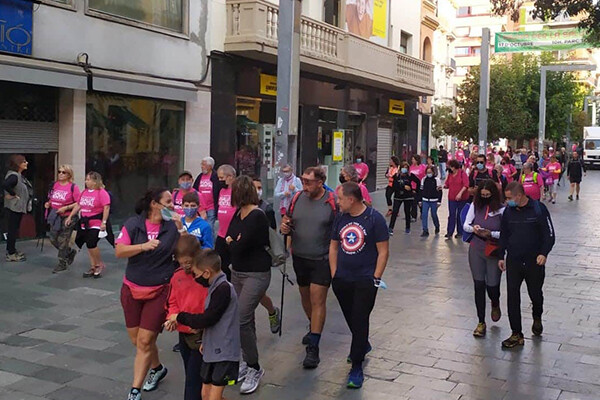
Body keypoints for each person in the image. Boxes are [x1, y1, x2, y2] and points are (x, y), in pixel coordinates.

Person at [115, 188, 184, 400]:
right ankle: (158, 368)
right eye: (168, 201)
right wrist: (143, 246)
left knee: (145, 341)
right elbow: (119, 251)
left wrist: (182, 229)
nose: (172, 205)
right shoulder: (133, 224)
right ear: (154, 204)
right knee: (138, 340)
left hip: (159, 290)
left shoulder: (172, 227)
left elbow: (189, 252)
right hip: (131, 288)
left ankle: (134, 389)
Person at [330, 181, 389, 389]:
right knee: (351, 317)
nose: (337, 202)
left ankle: (356, 365)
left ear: (351, 199)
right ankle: (362, 343)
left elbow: (383, 250)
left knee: (360, 318)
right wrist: (334, 273)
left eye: (340, 198)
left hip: (365, 279)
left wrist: (376, 277)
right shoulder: (340, 218)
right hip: (342, 279)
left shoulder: (374, 219)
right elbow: (334, 246)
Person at [280, 166, 337, 369]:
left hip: (322, 258)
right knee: (305, 298)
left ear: (320, 182)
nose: (303, 185)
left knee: (317, 298)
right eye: (302, 180)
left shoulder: (332, 201)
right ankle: (314, 327)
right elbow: (288, 221)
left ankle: (313, 346)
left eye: (308, 182)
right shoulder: (296, 199)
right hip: (300, 257)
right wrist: (284, 226)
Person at [167, 249, 240, 400]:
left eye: (196, 274)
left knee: (213, 397)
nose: (195, 278)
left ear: (206, 273)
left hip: (225, 352)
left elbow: (208, 318)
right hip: (212, 348)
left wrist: (180, 317)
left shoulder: (223, 289)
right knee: (205, 395)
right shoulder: (214, 286)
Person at [225, 175, 271, 394]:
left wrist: (234, 242)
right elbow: (230, 238)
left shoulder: (256, 216)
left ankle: (254, 367)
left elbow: (238, 245)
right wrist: (234, 242)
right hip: (238, 271)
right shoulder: (239, 213)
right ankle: (248, 360)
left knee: (241, 318)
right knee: (246, 319)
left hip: (256, 273)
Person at [498, 182, 555, 348]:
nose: (507, 201)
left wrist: (544, 253)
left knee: (535, 294)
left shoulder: (538, 209)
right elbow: (504, 235)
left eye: (509, 198)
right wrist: (501, 255)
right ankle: (516, 333)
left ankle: (537, 316)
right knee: (512, 296)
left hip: (534, 262)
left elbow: (549, 234)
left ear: (519, 195)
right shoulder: (508, 212)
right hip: (514, 260)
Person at [167, 236, 207, 400]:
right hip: (184, 334)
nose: (185, 266)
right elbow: (172, 301)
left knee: (193, 381)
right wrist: (172, 318)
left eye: (188, 263)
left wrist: (200, 325)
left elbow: (212, 308)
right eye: (182, 263)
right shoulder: (177, 276)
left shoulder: (206, 277)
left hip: (202, 335)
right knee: (191, 374)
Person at [463, 181, 505, 338]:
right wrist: (473, 229)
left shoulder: (502, 210)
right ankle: (481, 321)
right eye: (483, 195)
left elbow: (506, 233)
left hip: (493, 250)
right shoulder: (475, 206)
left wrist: (491, 234)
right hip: (476, 248)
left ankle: (495, 302)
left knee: (492, 286)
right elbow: (466, 224)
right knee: (478, 285)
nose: (485, 198)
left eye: (488, 195)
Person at [66, 172, 113, 278]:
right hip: (85, 222)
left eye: (88, 180)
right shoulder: (84, 192)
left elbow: (106, 208)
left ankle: (99, 263)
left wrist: (103, 222)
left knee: (92, 242)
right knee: (88, 244)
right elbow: (79, 205)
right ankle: (93, 266)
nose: (86, 181)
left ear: (94, 181)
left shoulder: (102, 193)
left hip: (96, 222)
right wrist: (70, 216)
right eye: (86, 179)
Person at [253, 178, 282, 335]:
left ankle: (272, 311)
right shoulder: (240, 207)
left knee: (257, 293)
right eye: (254, 187)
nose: (257, 190)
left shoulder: (266, 208)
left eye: (259, 187)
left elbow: (272, 235)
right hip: (245, 257)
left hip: (261, 257)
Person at [45, 165, 81, 273]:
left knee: (63, 240)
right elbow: (51, 198)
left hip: (68, 216)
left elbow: (78, 203)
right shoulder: (55, 185)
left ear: (69, 175)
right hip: (55, 215)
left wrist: (66, 208)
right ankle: (69, 252)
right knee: (53, 238)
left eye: (63, 172)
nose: (60, 174)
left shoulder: (73, 187)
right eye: (59, 172)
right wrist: (48, 204)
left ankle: (62, 262)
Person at [3, 154, 32, 262]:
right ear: (18, 164)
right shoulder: (14, 176)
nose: (26, 163)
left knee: (14, 230)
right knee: (12, 230)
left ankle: (12, 250)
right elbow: (6, 184)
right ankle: (11, 253)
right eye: (24, 162)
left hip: (17, 208)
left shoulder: (18, 175)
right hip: (14, 208)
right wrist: (13, 194)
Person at [214, 164, 237, 280]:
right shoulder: (222, 191)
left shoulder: (237, 191)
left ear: (230, 177)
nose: (220, 181)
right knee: (219, 263)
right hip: (221, 233)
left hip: (232, 234)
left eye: (222, 178)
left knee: (233, 264)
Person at [388, 161, 420, 235]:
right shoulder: (396, 176)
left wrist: (414, 190)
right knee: (395, 211)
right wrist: (403, 187)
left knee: (407, 212)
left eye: (406, 168)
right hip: (398, 197)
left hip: (408, 197)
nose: (404, 169)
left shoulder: (410, 175)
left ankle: (407, 228)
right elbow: (394, 186)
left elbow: (418, 181)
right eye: (403, 167)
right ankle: (390, 228)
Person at [193, 157, 220, 233]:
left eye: (204, 165)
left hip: (211, 206)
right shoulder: (200, 176)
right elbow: (194, 189)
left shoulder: (215, 176)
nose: (202, 166)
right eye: (202, 164)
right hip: (201, 206)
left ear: (210, 166)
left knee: (209, 226)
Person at [444, 159, 469, 240]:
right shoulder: (450, 174)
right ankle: (449, 232)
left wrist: (460, 193)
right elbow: (447, 184)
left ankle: (460, 232)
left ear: (454, 167)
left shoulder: (462, 173)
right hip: (452, 197)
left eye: (450, 167)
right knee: (452, 214)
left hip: (462, 198)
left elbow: (466, 185)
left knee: (459, 215)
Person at [419, 166, 442, 237]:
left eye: (430, 172)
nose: (429, 174)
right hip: (425, 200)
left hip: (434, 200)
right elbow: (421, 190)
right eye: (427, 172)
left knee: (433, 214)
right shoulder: (424, 179)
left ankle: (437, 226)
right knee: (424, 215)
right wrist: (420, 200)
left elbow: (440, 191)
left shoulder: (437, 180)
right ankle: (425, 230)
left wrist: (439, 201)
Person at [409, 155, 426, 221]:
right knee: (414, 201)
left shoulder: (423, 167)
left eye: (413, 159)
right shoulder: (411, 167)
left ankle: (422, 212)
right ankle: (413, 216)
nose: (412, 161)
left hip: (420, 186)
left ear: (417, 160)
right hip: (413, 187)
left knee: (420, 201)